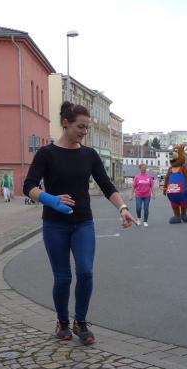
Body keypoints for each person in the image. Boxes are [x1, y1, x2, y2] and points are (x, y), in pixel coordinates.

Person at [24, 101, 135, 345]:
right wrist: (51, 199)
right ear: (66, 123)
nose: (84, 131)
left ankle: (80, 322)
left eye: (87, 128)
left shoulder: (89, 155)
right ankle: (63, 322)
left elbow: (106, 185)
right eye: (80, 127)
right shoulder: (46, 154)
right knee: (62, 277)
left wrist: (123, 208)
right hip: (54, 225)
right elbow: (28, 186)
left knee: (85, 272)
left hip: (83, 222)